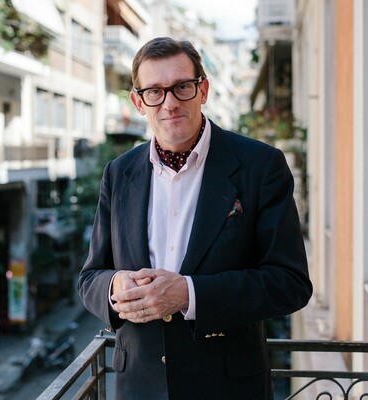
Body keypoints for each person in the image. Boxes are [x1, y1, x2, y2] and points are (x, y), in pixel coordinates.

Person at [77, 36, 312, 400]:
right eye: (155, 92)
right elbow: (89, 278)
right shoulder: (118, 173)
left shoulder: (261, 165)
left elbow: (290, 283)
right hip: (139, 387)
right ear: (139, 102)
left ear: (203, 90)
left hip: (228, 389)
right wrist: (115, 286)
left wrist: (188, 294)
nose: (169, 102)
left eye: (182, 87)